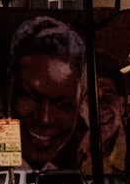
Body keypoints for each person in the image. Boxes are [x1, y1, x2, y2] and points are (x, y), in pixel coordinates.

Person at [7, 15, 87, 171]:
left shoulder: (58, 171)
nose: (44, 119)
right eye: (32, 97)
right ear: (9, 87)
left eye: (62, 105)